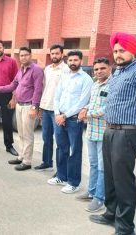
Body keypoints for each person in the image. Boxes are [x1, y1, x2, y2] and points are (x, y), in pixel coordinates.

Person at [89, 32, 136, 235]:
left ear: (132, 50)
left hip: (127, 132)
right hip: (110, 130)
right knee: (110, 176)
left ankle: (126, 227)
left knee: (123, 180)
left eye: (122, 50)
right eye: (116, 50)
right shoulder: (118, 72)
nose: (118, 54)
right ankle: (111, 212)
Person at [0, 47, 43, 170]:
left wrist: (35, 106)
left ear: (30, 55)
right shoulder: (21, 70)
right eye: (21, 55)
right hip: (19, 105)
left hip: (29, 106)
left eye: (26, 55)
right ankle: (21, 157)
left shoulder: (36, 70)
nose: (23, 57)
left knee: (28, 135)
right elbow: (12, 85)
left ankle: (27, 162)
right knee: (21, 134)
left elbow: (38, 90)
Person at [47, 50, 93, 194]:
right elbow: (57, 96)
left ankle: (74, 182)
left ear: (81, 61)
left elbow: (82, 102)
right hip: (59, 118)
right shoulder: (64, 77)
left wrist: (64, 116)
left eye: (76, 60)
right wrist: (56, 114)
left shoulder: (86, 79)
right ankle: (61, 176)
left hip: (73, 120)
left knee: (75, 151)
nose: (73, 63)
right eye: (71, 60)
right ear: (67, 61)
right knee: (61, 148)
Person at [76, 57, 111, 212]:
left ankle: (99, 198)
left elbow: (107, 108)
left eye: (102, 68)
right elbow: (93, 103)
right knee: (94, 164)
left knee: (103, 167)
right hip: (91, 131)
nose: (98, 71)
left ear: (109, 68)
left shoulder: (113, 85)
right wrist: (85, 108)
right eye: (96, 69)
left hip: (104, 133)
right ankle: (91, 192)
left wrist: (87, 114)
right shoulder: (95, 85)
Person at [34, 44, 68, 171]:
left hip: (58, 111)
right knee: (46, 138)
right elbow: (43, 89)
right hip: (46, 107)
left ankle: (60, 171)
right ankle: (47, 163)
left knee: (60, 141)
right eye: (52, 53)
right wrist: (40, 108)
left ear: (62, 54)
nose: (54, 56)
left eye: (57, 53)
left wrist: (62, 112)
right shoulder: (47, 69)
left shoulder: (66, 69)